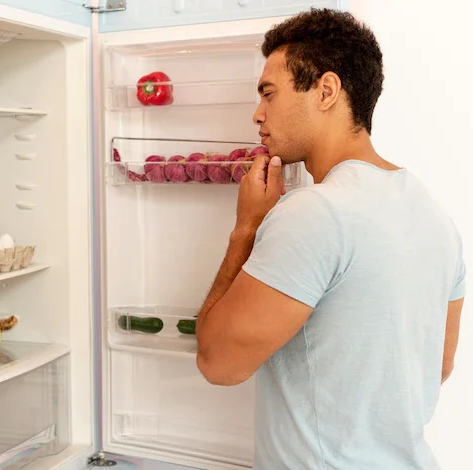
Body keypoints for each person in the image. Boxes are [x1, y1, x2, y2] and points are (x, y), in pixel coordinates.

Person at [194, 8, 465, 470]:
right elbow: (437, 365)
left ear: (326, 91)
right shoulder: (435, 216)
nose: (257, 114)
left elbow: (217, 363)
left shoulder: (315, 212)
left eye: (268, 93)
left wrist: (247, 228)